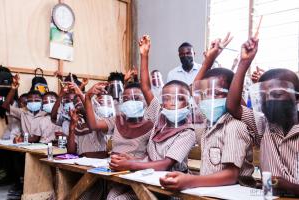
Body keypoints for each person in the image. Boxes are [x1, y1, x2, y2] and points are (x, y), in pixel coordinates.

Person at [159, 33, 254, 191]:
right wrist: (209, 59)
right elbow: (195, 88)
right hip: (207, 191)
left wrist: (190, 180)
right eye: (205, 94)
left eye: (216, 93)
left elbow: (231, 175)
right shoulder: (210, 121)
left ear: (232, 95)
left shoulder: (235, 127)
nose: (208, 99)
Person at [107, 35, 196, 199]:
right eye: (167, 98)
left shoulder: (187, 132)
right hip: (148, 180)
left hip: (170, 188)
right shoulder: (159, 117)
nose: (172, 103)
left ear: (189, 104)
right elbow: (146, 88)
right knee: (112, 193)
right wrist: (144, 55)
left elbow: (165, 164)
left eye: (180, 98)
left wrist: (131, 163)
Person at [226, 37, 299, 196]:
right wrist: (244, 63)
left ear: (297, 98)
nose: (269, 100)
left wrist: (283, 184)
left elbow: (278, 183)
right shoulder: (263, 124)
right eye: (263, 96)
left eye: (277, 94)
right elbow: (232, 106)